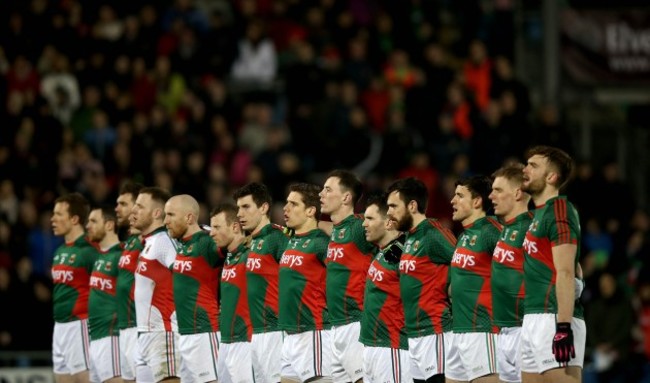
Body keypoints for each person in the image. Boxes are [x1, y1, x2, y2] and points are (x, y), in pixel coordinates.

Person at [520, 145, 585, 383]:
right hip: (533, 317)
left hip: (554, 317)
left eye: (533, 166)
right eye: (526, 164)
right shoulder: (537, 214)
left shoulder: (559, 209)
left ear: (552, 177)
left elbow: (566, 271)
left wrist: (564, 327)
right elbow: (577, 268)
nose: (525, 169)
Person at [386, 177, 457, 383]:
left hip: (435, 332)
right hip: (415, 334)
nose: (389, 211)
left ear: (412, 205)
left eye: (393, 206)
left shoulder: (433, 233)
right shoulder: (410, 237)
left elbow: (464, 263)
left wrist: (451, 290)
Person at [319, 169, 375, 383]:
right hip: (336, 327)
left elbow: (391, 236)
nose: (321, 195)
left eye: (327, 189)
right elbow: (331, 228)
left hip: (356, 323)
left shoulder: (360, 227)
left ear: (346, 197)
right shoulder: (338, 230)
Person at [446, 175, 502, 383]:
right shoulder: (464, 236)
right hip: (459, 330)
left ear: (477, 201)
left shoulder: (491, 230)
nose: (453, 200)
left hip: (483, 329)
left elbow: (519, 265)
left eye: (460, 195)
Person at [233, 182, 289, 383]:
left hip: (275, 331)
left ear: (264, 208)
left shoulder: (277, 238)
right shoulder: (252, 242)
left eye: (246, 207)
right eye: (238, 208)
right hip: (257, 334)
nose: (239, 213)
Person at [164, 194, 224, 383]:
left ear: (189, 218)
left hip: (205, 332)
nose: (166, 221)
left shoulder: (207, 242)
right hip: (185, 334)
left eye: (171, 215)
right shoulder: (182, 245)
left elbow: (234, 252)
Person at [279, 183, 332, 382]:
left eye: (293, 204)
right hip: (289, 334)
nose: (286, 208)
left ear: (310, 211)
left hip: (313, 332)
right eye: (286, 203)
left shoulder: (320, 242)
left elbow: (339, 278)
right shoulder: (291, 241)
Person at [360, 193, 412, 383]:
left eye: (370, 218)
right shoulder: (384, 252)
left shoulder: (403, 252)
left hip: (392, 347)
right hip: (371, 346)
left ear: (389, 222)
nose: (364, 224)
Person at [488, 163, 532, 383]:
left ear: (517, 193)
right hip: (504, 329)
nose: (491, 196)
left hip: (526, 330)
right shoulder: (505, 228)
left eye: (498, 190)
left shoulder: (532, 228)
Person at [131, 187, 180, 383]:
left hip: (163, 333)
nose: (134, 210)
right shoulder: (149, 242)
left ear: (157, 213)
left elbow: (185, 275)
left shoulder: (163, 242)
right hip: (144, 335)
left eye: (140, 206)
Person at [50, 192, 96, 383]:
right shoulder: (60, 250)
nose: (53, 219)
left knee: (84, 379)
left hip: (80, 325)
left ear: (75, 219)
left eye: (59, 214)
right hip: (59, 326)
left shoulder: (89, 251)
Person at [209, 203, 254, 383]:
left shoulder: (250, 255)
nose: (212, 233)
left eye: (217, 227)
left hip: (245, 341)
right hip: (225, 341)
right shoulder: (228, 256)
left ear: (235, 227)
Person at [114, 181, 152, 383]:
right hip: (125, 327)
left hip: (141, 328)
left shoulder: (149, 240)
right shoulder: (129, 242)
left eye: (124, 204)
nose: (117, 209)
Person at [86, 206, 123, 383]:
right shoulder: (100, 256)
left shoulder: (121, 255)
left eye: (93, 221)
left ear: (109, 225)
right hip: (95, 338)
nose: (88, 226)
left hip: (112, 336)